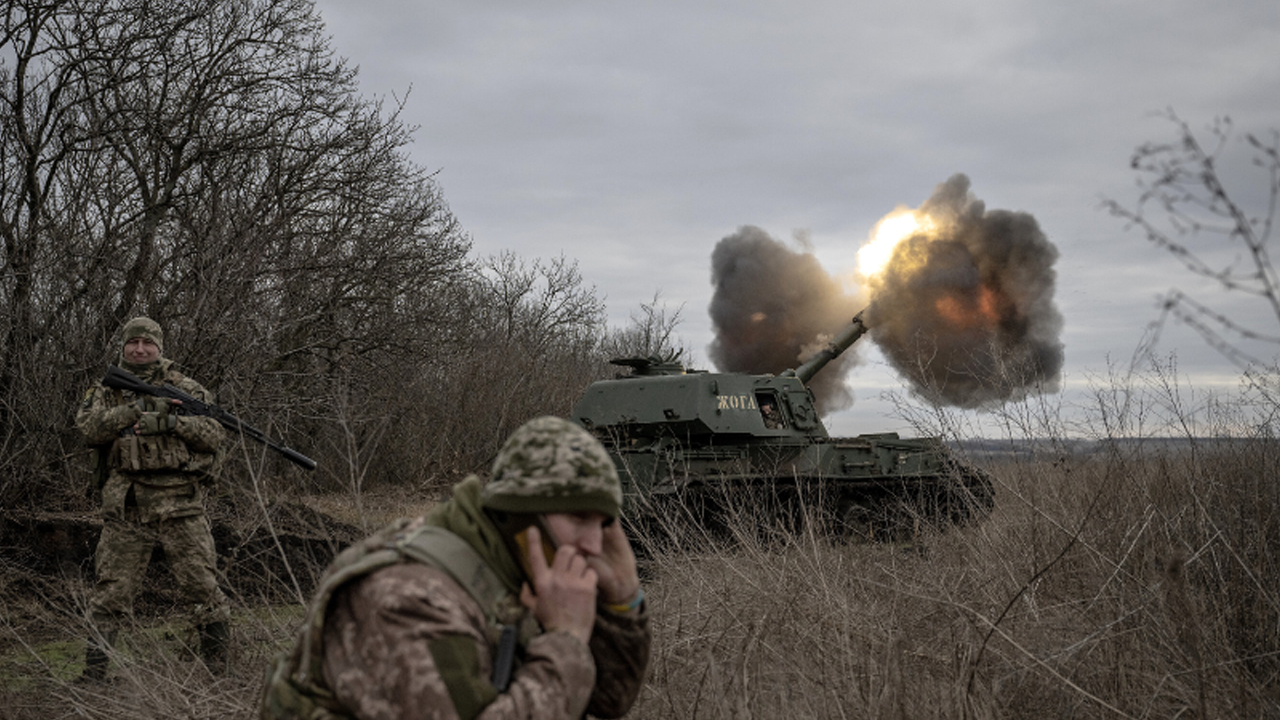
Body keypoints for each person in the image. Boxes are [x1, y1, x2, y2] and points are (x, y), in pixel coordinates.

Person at [261, 416, 651, 720]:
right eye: (579, 518)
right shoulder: (407, 597)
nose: (594, 544)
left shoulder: (520, 568)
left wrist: (622, 601)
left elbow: (608, 698)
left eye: (602, 524)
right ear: (522, 516)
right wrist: (565, 640)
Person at [75, 316, 229, 680]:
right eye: (133, 343)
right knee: (111, 591)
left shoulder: (184, 387)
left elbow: (214, 435)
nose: (140, 349)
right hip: (125, 503)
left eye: (148, 343)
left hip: (181, 501)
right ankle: (93, 676)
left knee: (202, 587)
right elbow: (88, 428)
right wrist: (135, 411)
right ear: (124, 346)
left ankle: (220, 673)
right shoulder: (105, 390)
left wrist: (173, 423)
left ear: (159, 347)